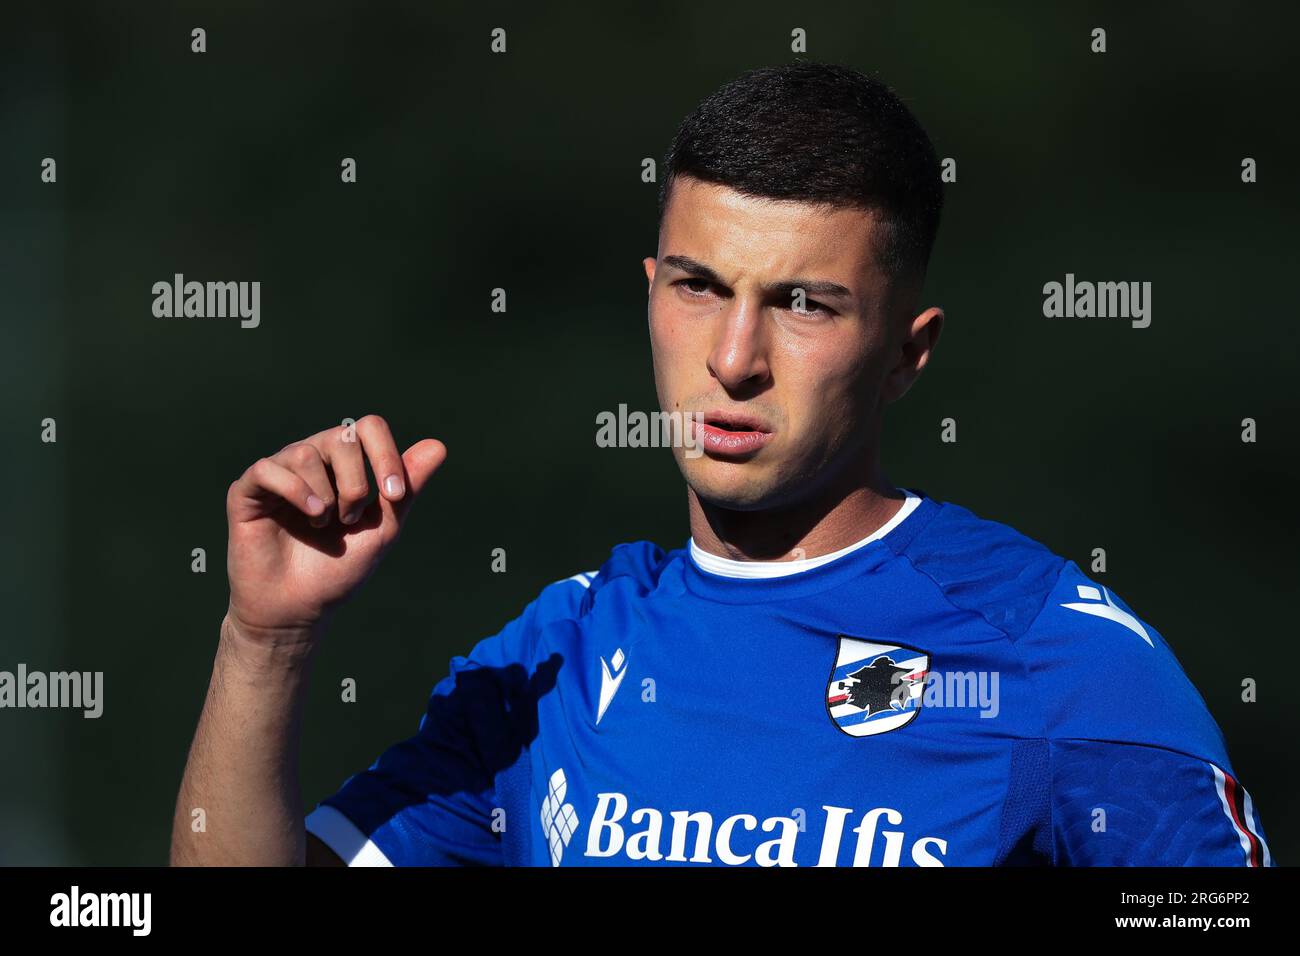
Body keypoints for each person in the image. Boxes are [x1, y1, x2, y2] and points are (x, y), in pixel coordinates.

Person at [170, 62, 1272, 867]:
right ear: (649, 288)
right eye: (698, 286)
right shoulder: (563, 654)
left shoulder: (1054, 655)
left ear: (906, 352)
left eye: (802, 303)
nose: (733, 360)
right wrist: (267, 638)